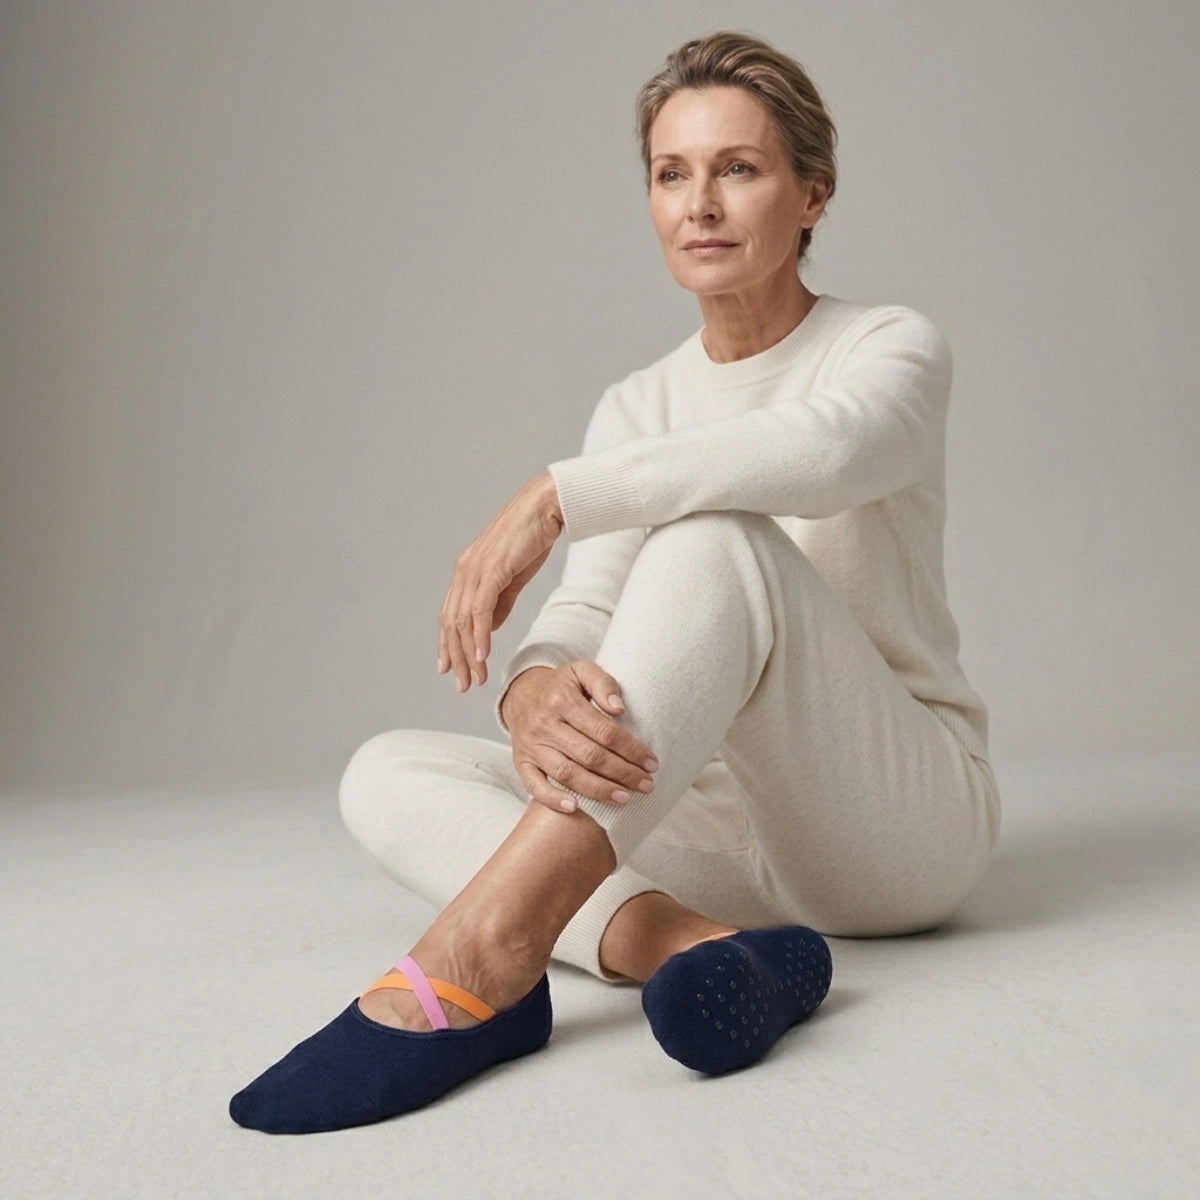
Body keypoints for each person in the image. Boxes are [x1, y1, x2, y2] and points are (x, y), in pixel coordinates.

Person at [230, 30, 1001, 1135]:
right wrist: (532, 689)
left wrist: (558, 491)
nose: (701, 205)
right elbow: (585, 615)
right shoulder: (639, 403)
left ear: (812, 193)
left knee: (713, 540)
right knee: (385, 770)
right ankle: (692, 947)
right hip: (698, 821)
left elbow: (826, 454)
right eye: (671, 174)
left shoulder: (889, 349)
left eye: (739, 169)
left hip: (891, 821)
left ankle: (490, 955)